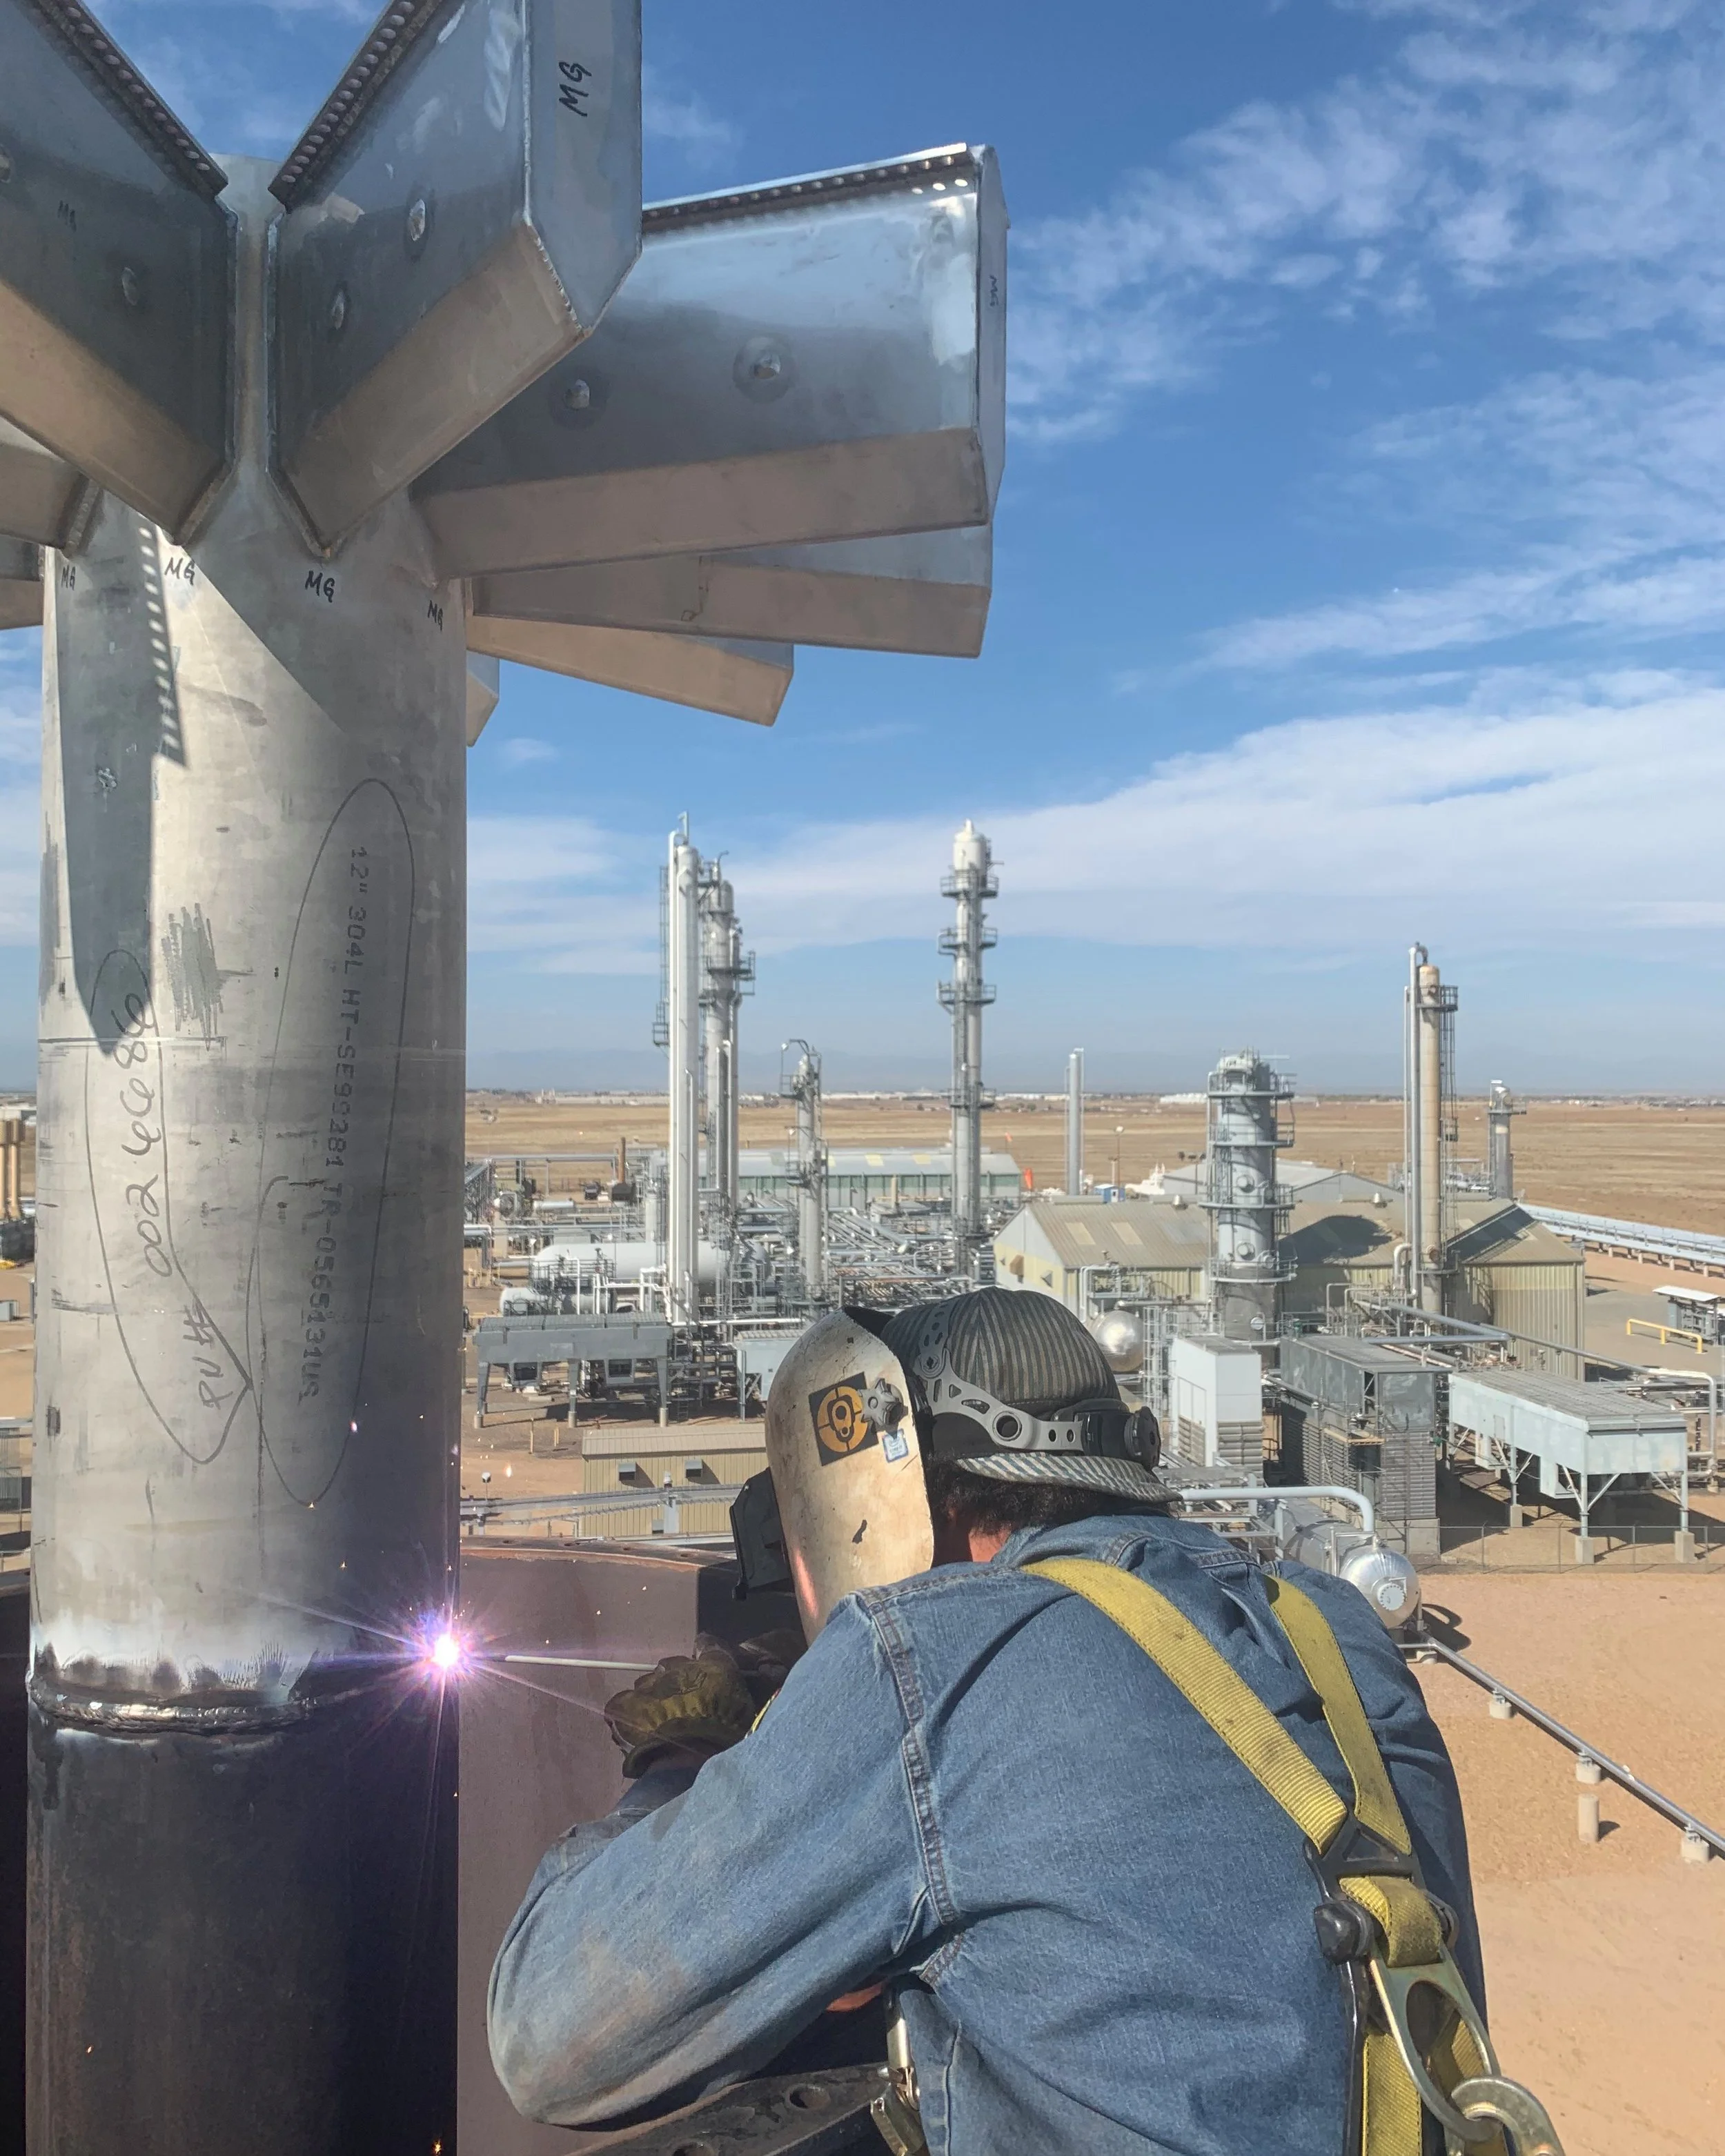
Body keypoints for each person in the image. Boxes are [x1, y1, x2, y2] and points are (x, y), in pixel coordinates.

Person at [488, 1288, 1488, 2155]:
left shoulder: (928, 1660)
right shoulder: (1334, 1629)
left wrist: (686, 1760)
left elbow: (548, 2037)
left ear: (887, 1491)